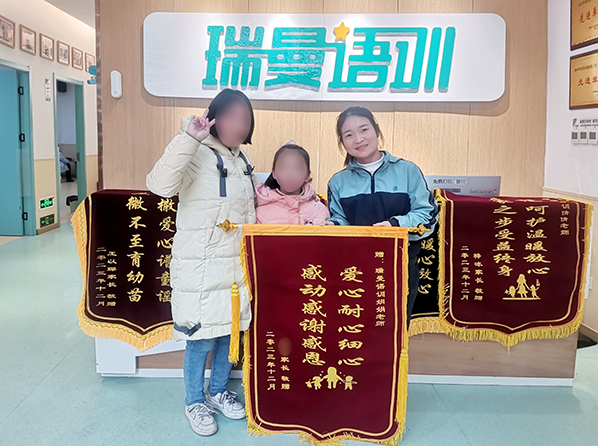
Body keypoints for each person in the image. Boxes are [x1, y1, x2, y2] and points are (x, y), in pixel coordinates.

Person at [146, 89, 258, 437]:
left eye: (244, 119)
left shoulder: (240, 160)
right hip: (202, 267)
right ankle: (194, 400)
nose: (238, 125)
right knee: (200, 340)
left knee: (227, 335)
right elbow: (159, 185)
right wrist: (189, 138)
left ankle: (219, 391)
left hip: (234, 268)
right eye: (230, 116)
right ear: (213, 117)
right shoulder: (195, 151)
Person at [326, 106, 438, 326]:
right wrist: (332, 226)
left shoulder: (407, 171)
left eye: (364, 129)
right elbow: (339, 219)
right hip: (355, 270)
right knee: (356, 329)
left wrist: (394, 225)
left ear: (376, 131)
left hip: (401, 266)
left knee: (395, 330)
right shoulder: (338, 182)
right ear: (342, 143)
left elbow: (427, 214)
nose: (358, 139)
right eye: (349, 135)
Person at [256, 143, 330, 225]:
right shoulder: (260, 213)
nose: (290, 174)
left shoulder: (320, 211)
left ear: (307, 175)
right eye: (284, 167)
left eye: (297, 168)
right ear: (274, 173)